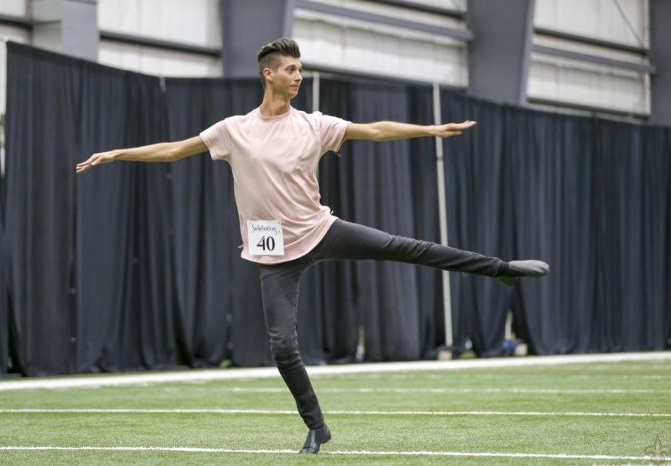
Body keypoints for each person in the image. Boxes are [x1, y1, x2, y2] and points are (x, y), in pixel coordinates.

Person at [76, 37, 548, 454]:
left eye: (301, 70)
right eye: (291, 70)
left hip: (321, 230)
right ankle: (316, 427)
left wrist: (429, 131)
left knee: (409, 247)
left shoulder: (314, 125)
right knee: (283, 347)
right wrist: (119, 153)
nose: (298, 77)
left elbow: (375, 130)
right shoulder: (233, 130)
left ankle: (500, 268)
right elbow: (175, 149)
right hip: (273, 254)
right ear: (269, 74)